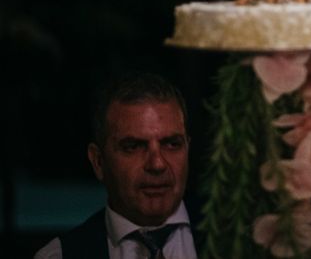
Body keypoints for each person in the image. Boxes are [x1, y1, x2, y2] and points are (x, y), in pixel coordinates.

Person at [35, 71, 197, 259]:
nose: (157, 164)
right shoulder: (60, 256)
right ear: (98, 161)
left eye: (172, 144)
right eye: (133, 147)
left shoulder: (235, 237)